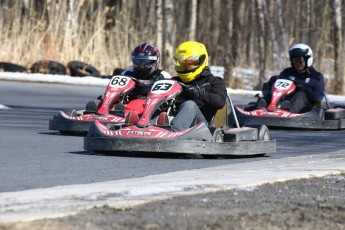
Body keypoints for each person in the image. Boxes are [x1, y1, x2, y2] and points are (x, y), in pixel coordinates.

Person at [86, 42, 171, 117]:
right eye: (138, 62)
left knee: (136, 104)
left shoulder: (163, 76)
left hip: (146, 103)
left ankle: (122, 115)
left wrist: (145, 86)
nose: (141, 66)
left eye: (144, 62)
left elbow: (164, 98)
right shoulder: (127, 73)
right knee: (112, 101)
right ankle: (98, 111)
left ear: (155, 61)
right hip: (125, 100)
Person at [170, 41, 227, 131]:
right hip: (172, 120)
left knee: (190, 104)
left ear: (202, 61)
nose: (186, 67)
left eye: (190, 63)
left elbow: (220, 102)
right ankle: (144, 129)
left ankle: (174, 133)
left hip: (202, 127)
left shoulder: (214, 81)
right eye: (182, 64)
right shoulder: (174, 81)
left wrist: (200, 94)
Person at [259, 43, 325, 113]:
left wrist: (303, 89)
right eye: (294, 61)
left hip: (306, 108)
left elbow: (318, 98)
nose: (297, 63)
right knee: (275, 82)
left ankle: (288, 112)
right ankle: (263, 105)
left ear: (307, 60)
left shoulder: (316, 77)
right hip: (284, 101)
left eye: (300, 60)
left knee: (300, 94)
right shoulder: (287, 73)